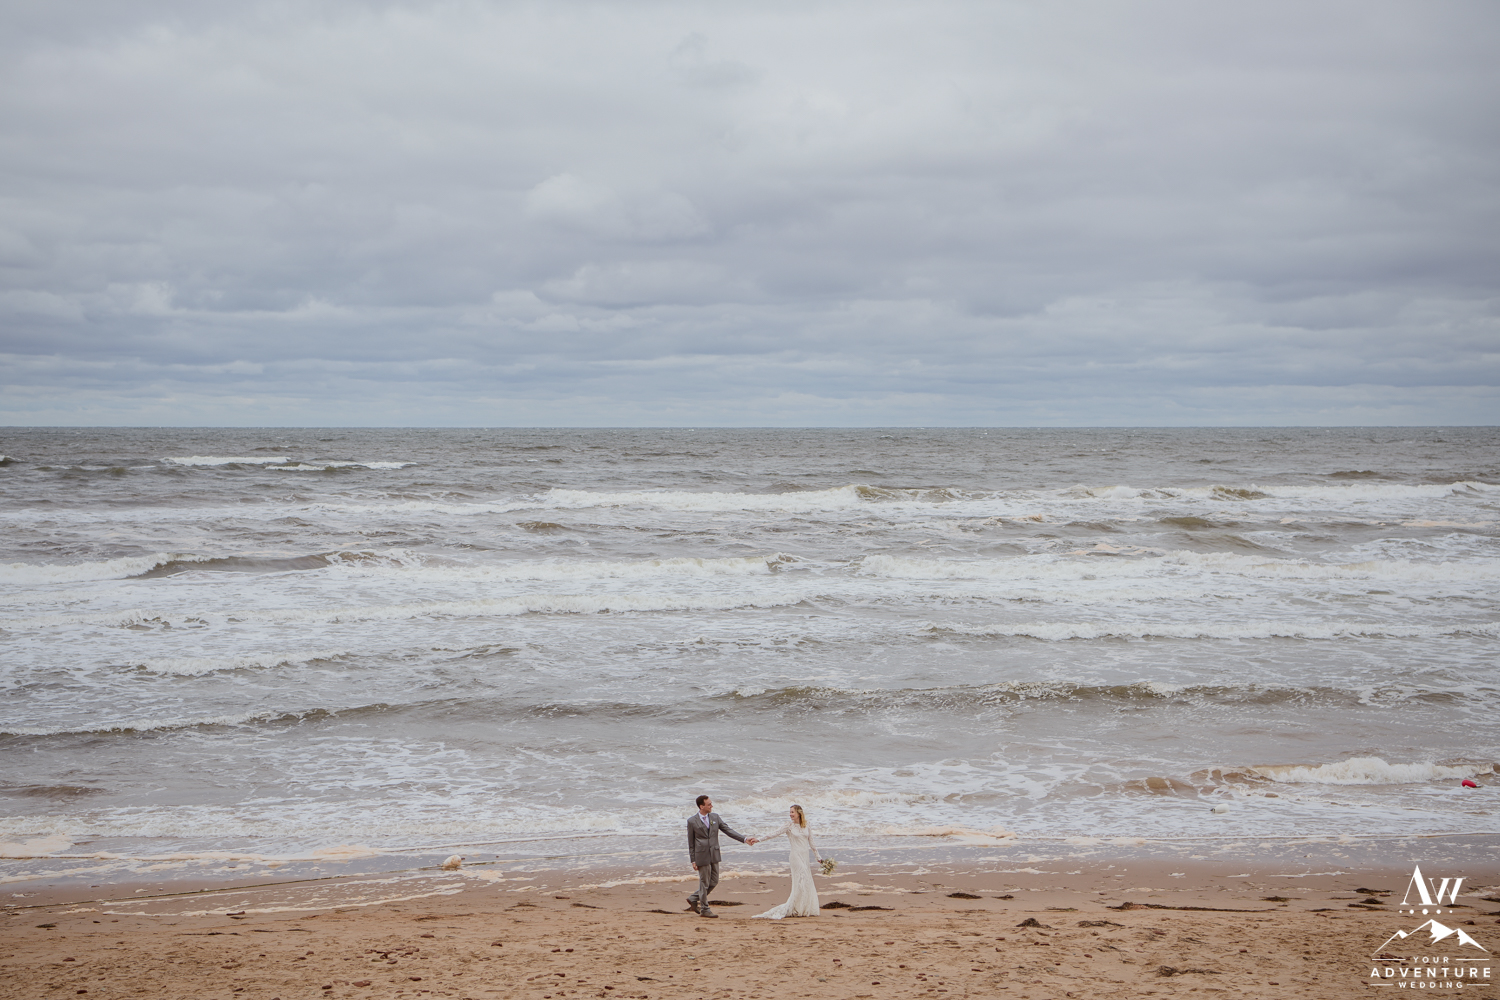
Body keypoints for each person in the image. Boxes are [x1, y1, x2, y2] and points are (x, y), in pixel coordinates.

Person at [749, 803, 822, 920]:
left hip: (805, 857)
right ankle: (795, 907)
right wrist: (759, 839)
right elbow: (774, 833)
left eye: (792, 812)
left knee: (806, 881)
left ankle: (803, 907)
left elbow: (812, 842)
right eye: (790, 812)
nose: (790, 814)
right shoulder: (788, 826)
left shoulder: (807, 825)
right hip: (795, 856)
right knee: (800, 880)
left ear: (799, 813)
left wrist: (818, 857)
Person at [685, 794, 751, 918]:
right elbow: (691, 843)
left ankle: (693, 898)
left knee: (714, 881)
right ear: (701, 806)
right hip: (701, 855)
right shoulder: (692, 821)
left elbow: (728, 830)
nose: (711, 806)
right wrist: (693, 860)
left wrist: (744, 839)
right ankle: (705, 909)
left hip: (714, 853)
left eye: (711, 803)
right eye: (709, 804)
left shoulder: (715, 817)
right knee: (704, 882)